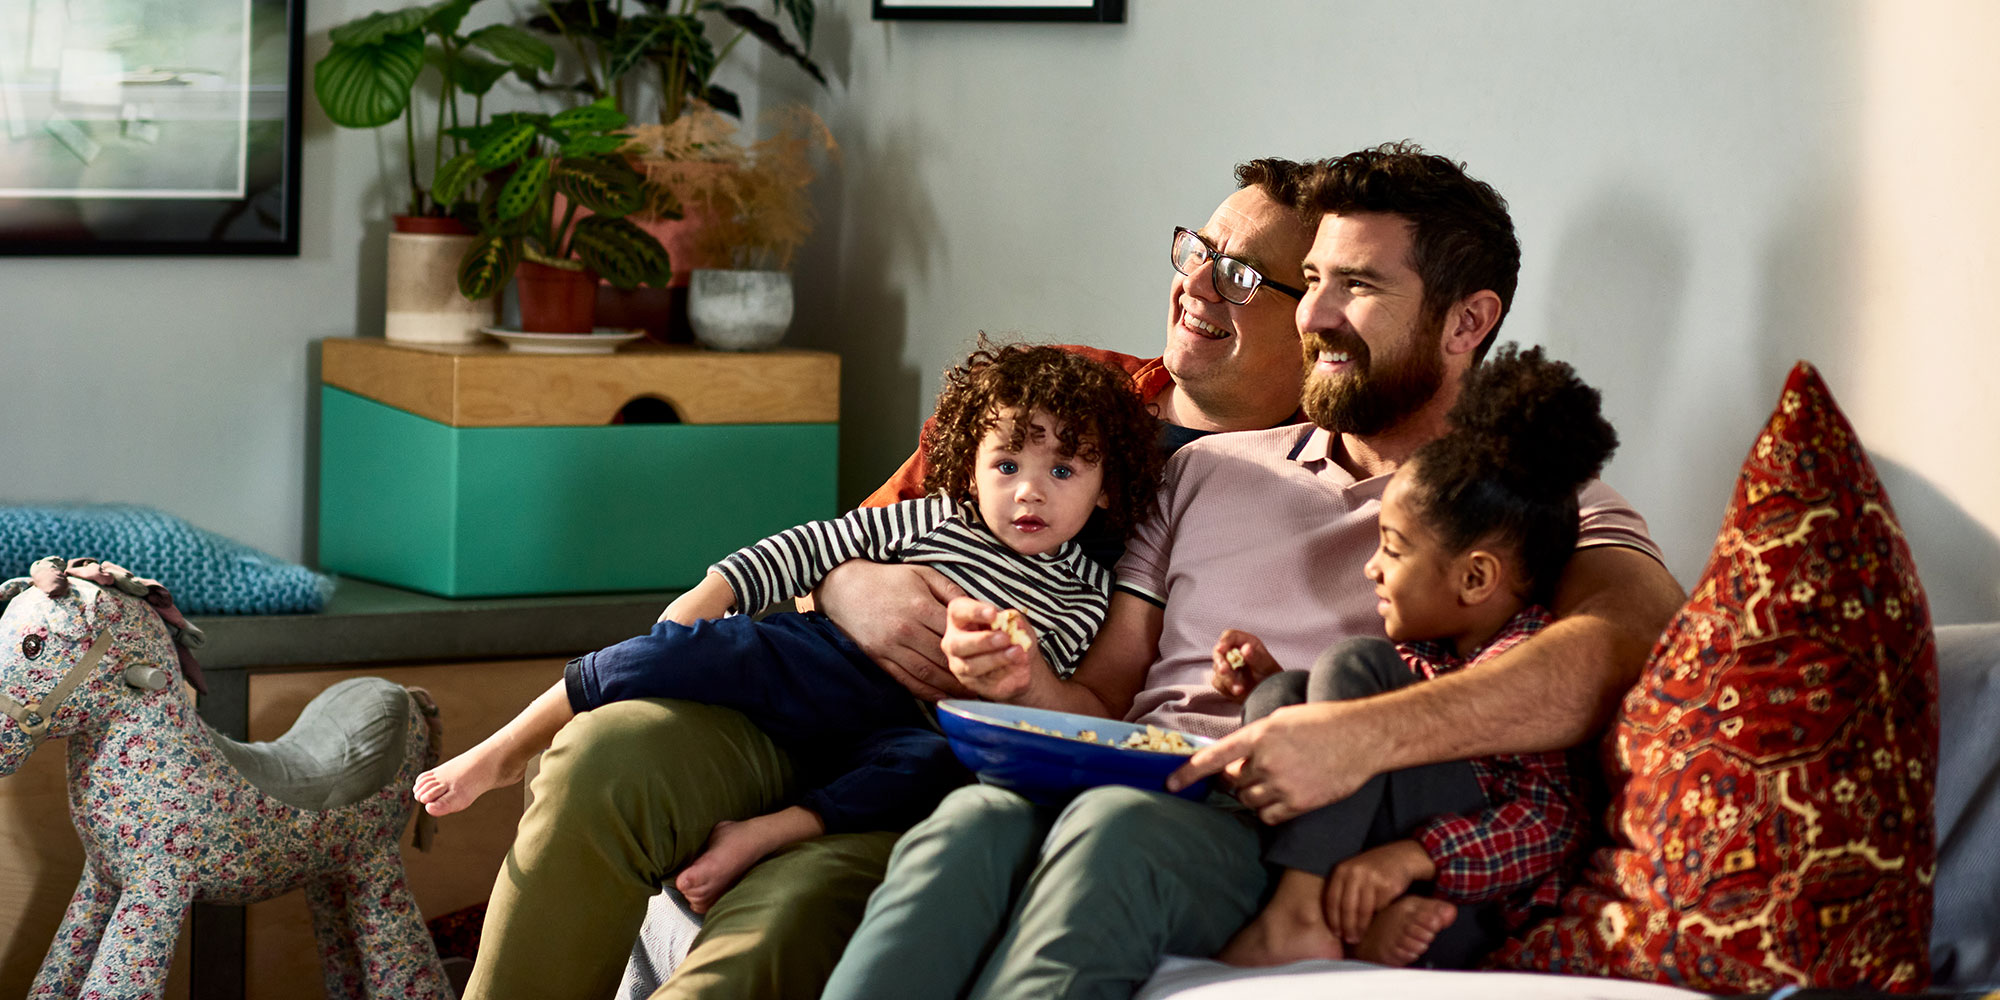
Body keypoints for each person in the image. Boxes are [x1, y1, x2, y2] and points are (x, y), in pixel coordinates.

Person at [818, 143, 1686, 1000]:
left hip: (1281, 825)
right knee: (967, 825)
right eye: (1312, 280)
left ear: (1467, 322)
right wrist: (1022, 679)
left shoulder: (1525, 502)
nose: (1312, 317)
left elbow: (1630, 644)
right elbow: (1105, 697)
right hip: (1126, 769)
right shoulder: (1210, 469)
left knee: (1117, 834)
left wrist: (1358, 737)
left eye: (1360, 286)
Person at [460, 159, 1322, 1000]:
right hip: (808, 691)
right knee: (600, 757)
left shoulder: (1308, 492)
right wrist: (848, 587)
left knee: (789, 909)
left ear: (1316, 313)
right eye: (1197, 250)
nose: (1199, 285)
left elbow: (1132, 711)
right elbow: (847, 540)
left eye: (1242, 276)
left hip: (944, 766)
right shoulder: (1056, 388)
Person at [415, 343, 1160, 914]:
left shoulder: (1089, 596)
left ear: (1103, 489)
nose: (1030, 489)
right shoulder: (937, 517)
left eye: (1064, 471)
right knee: (674, 655)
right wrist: (706, 600)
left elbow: (1039, 695)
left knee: (934, 775)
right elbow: (807, 549)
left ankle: (770, 833)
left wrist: (1007, 671)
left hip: (913, 720)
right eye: (1007, 464)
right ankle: (510, 747)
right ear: (970, 468)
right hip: (822, 661)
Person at [1211, 344, 1615, 969]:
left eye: (1393, 550)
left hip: (1474, 903)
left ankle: (1298, 915)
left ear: (1476, 578)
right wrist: (1271, 682)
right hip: (1387, 877)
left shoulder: (1532, 662)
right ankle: (1344, 923)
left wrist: (1418, 857)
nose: (1372, 568)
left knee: (1354, 667)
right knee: (1282, 698)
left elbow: (1552, 823)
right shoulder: (1430, 655)